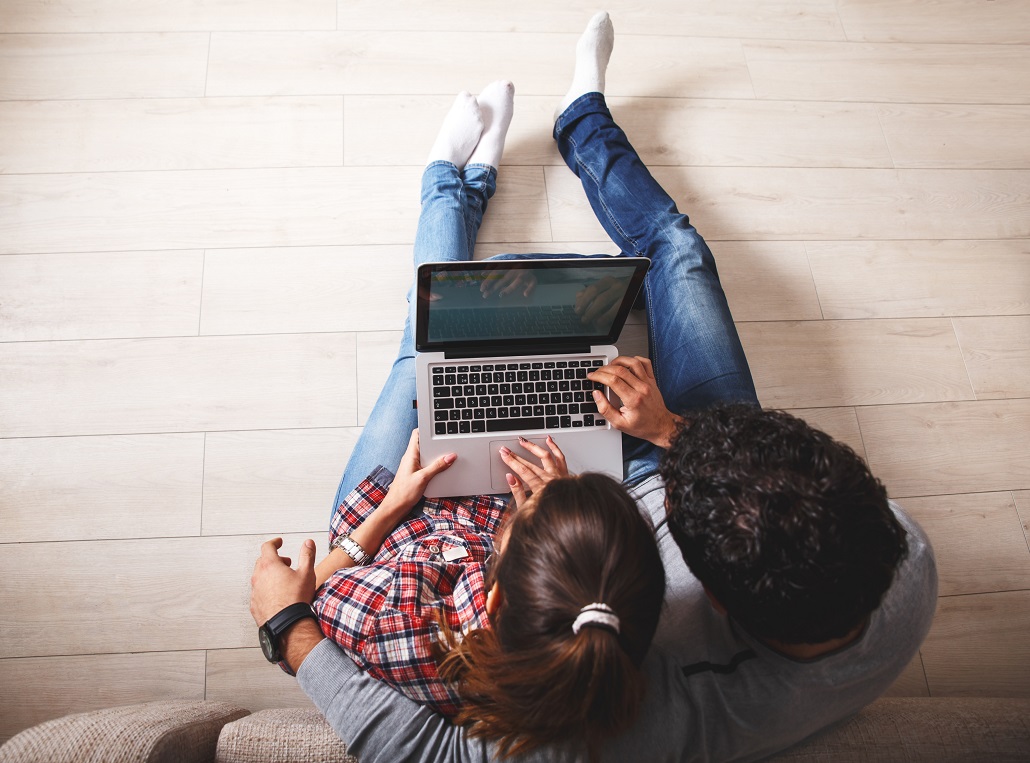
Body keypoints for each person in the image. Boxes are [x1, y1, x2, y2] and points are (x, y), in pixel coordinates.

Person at [250, 11, 937, 762]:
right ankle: (582, 122)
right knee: (678, 250)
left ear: (700, 593)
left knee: (426, 352)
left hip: (545, 537)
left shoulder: (629, 702)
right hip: (657, 479)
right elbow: (751, 475)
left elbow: (424, 746)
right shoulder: (895, 551)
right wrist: (671, 429)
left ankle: (451, 184)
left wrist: (291, 633)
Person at [274, 78, 666, 757]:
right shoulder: (606, 647)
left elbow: (308, 595)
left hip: (391, 522)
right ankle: (470, 179)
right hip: (472, 519)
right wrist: (553, 504)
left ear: (489, 601)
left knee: (420, 348)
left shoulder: (396, 628)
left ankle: (450, 180)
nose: (532, 504)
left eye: (530, 523)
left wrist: (389, 509)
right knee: (484, 343)